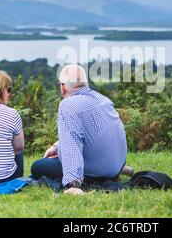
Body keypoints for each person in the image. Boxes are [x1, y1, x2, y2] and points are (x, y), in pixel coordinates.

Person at [31, 64, 129, 195]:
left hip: (99, 173)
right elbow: (88, 134)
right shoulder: (103, 99)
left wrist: (73, 184)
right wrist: (57, 147)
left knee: (38, 166)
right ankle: (113, 168)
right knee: (59, 156)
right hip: (116, 167)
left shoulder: (67, 105)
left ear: (63, 87)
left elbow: (72, 144)